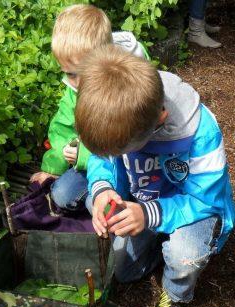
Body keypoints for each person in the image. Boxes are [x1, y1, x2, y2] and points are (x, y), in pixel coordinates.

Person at [75, 45, 235, 307]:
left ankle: (176, 294)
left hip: (194, 210)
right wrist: (102, 189)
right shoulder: (118, 112)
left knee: (184, 255)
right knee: (123, 272)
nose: (116, 153)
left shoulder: (200, 134)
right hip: (145, 205)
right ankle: (161, 245)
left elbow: (205, 202)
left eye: (121, 149)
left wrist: (148, 215)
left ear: (159, 122)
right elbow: (103, 158)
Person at [29, 4, 149, 213]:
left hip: (135, 161)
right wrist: (54, 167)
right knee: (62, 194)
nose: (76, 82)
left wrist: (82, 155)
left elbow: (122, 142)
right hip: (97, 162)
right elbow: (63, 128)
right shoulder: (75, 87)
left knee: (101, 206)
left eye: (83, 72)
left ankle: (137, 210)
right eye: (69, 74)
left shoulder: (129, 82)